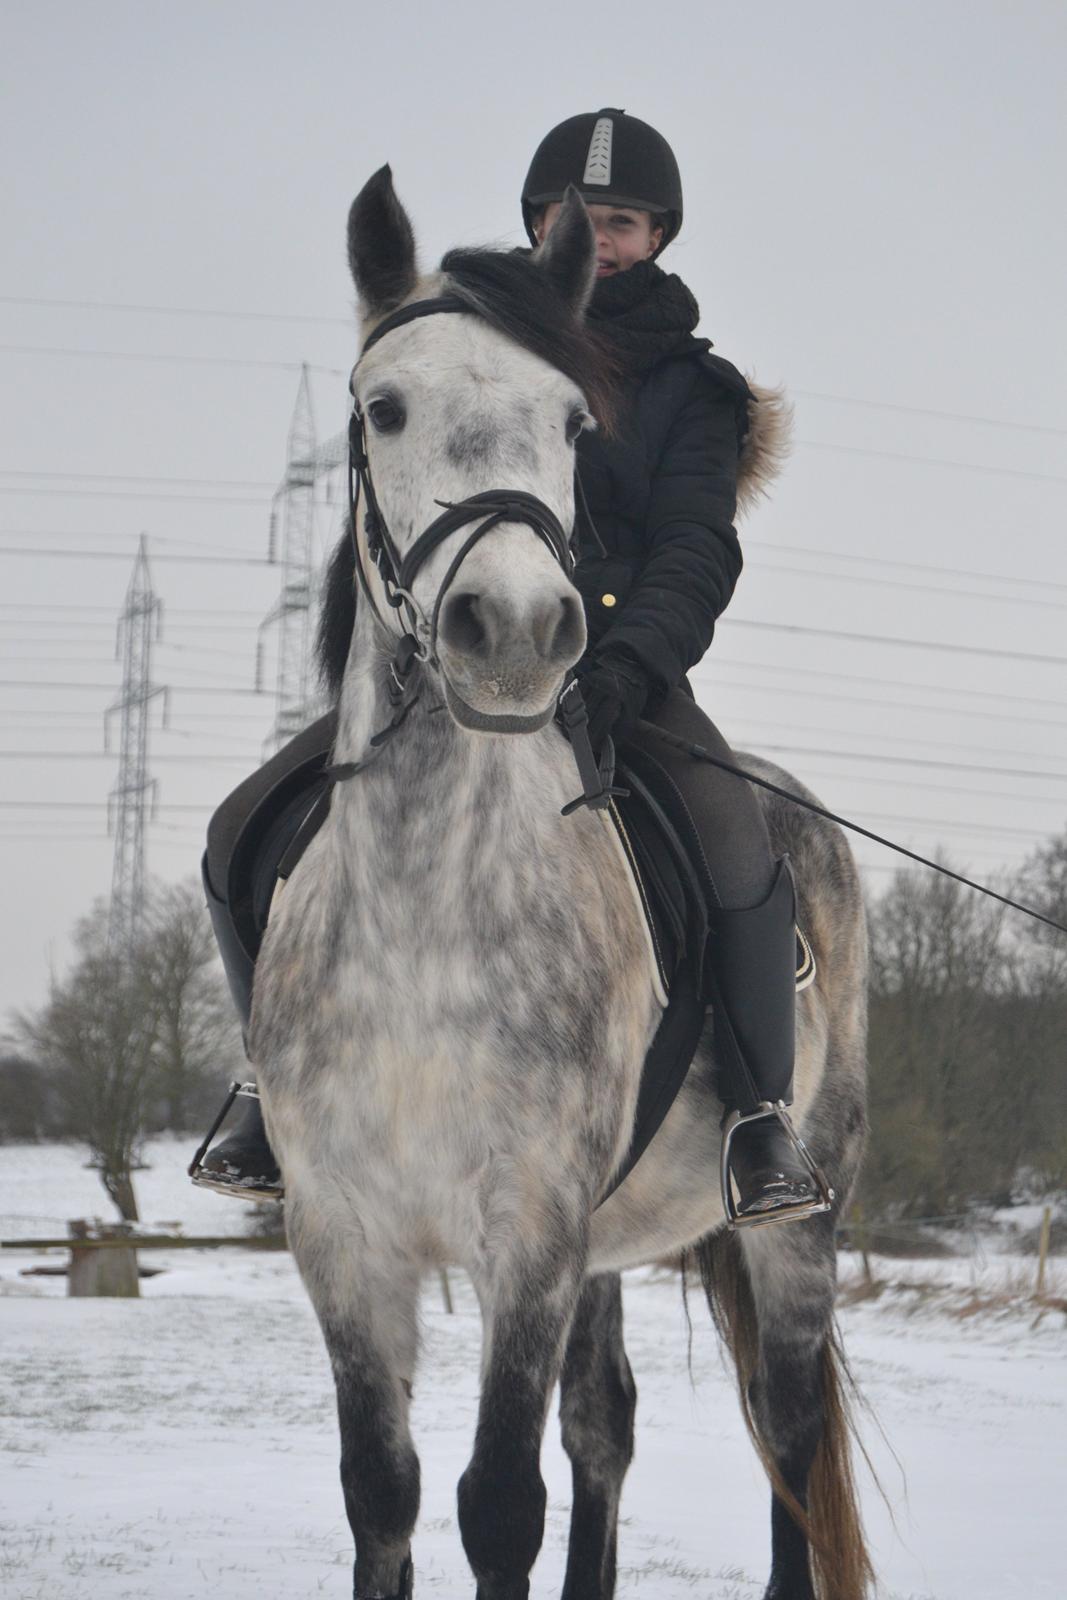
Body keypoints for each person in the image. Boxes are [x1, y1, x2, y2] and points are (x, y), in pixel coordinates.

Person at [196, 109, 824, 1225]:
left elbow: (693, 547)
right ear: (538, 222)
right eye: (568, 215)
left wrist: (627, 663)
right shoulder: (478, 344)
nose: (595, 235)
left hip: (615, 670)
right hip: (442, 665)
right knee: (242, 826)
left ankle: (756, 1119)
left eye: (620, 222)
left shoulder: (695, 389)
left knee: (733, 844)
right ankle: (267, 1080)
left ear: (656, 235)